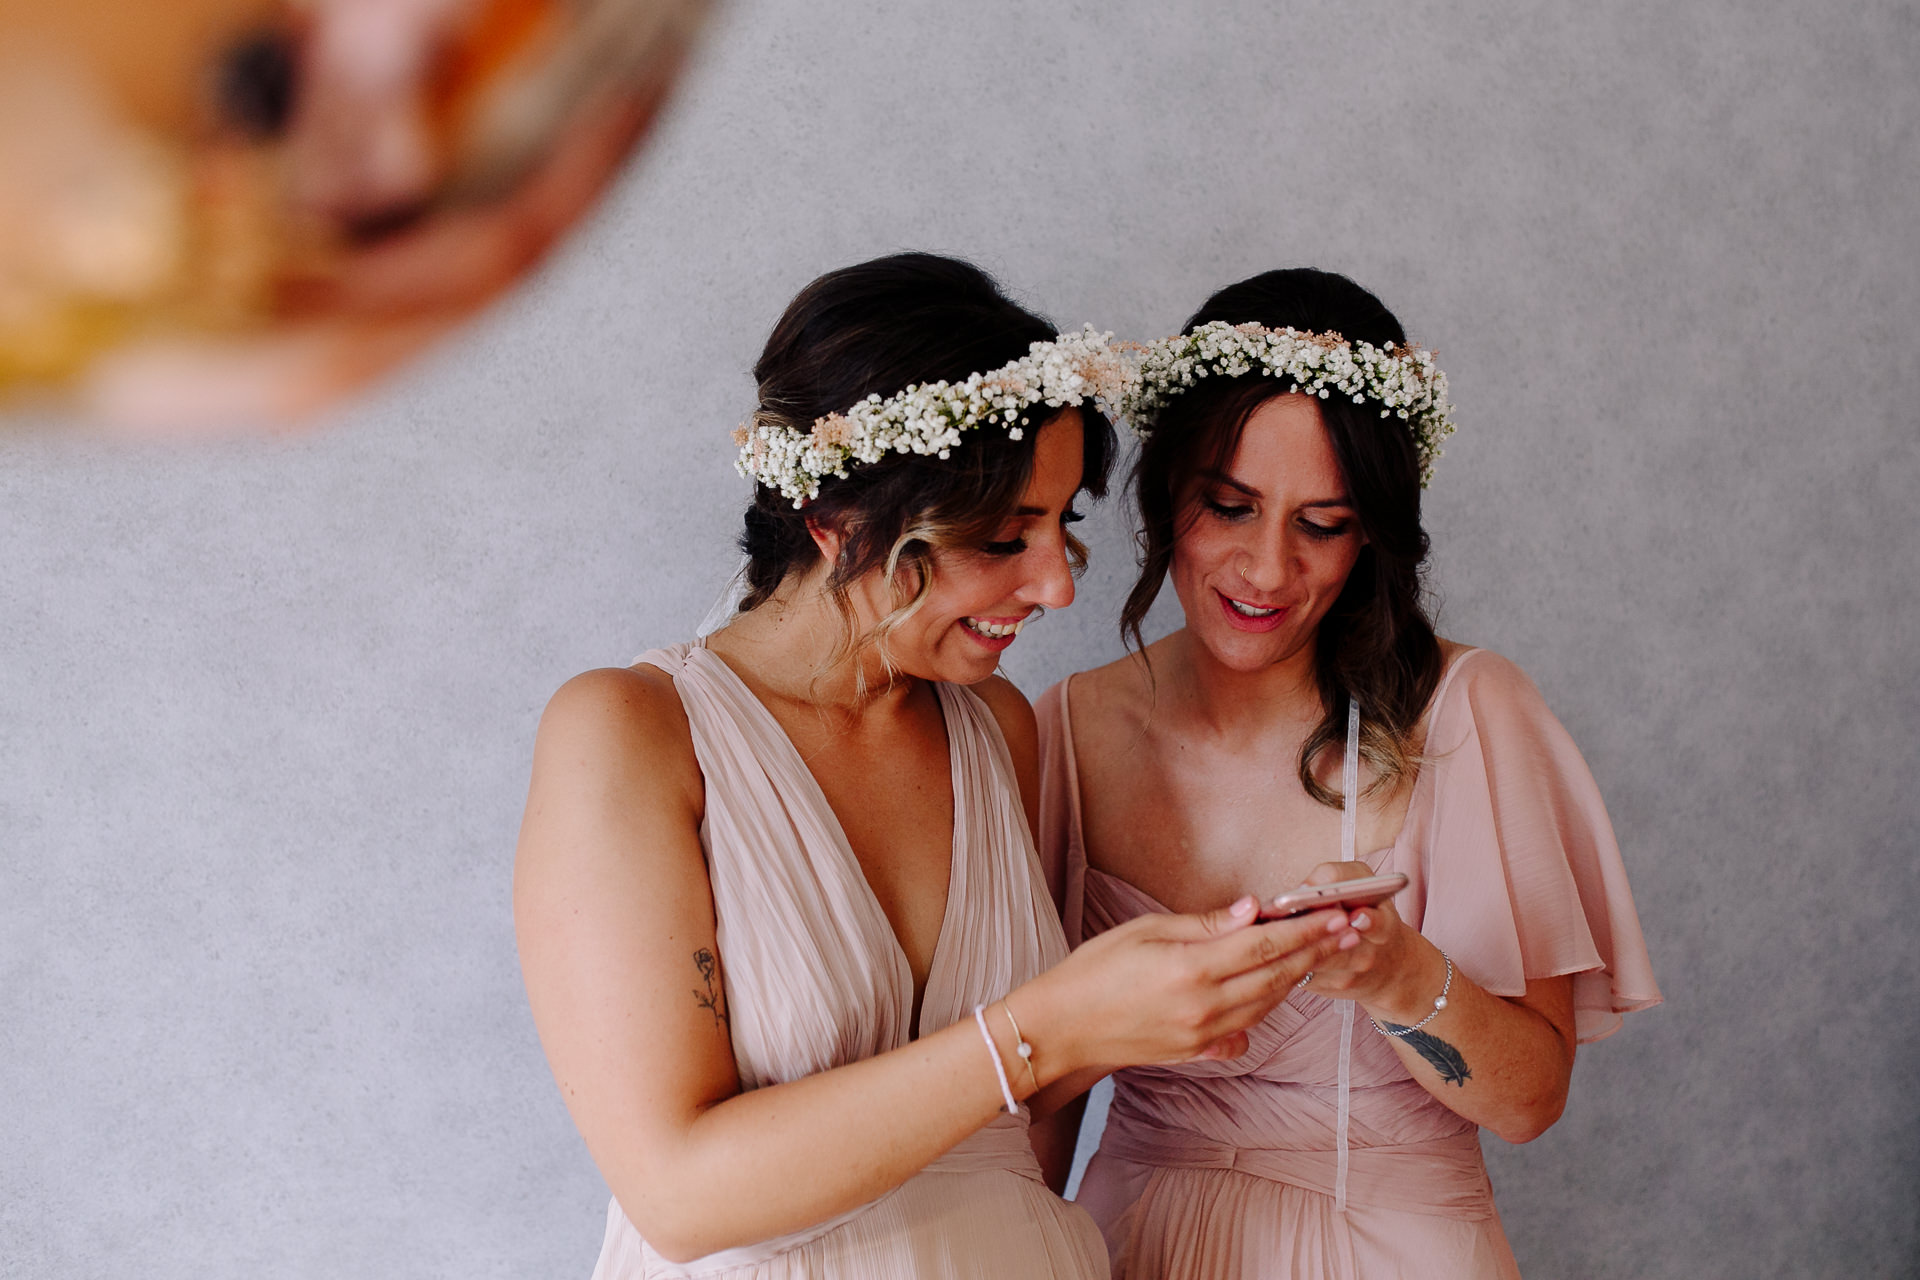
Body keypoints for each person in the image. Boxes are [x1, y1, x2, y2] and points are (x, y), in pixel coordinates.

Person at [514, 254, 1364, 1279]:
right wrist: (1048, 1026)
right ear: (837, 524)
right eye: (1007, 536)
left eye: (1062, 525)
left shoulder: (995, 726)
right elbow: (679, 1193)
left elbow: (1011, 1106)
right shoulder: (631, 732)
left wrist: (1176, 988)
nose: (1055, 586)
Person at [1036, 269, 1662, 1279]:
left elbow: (1530, 1098)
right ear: (1163, 496)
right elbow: (1044, 1096)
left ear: (1369, 530)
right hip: (1127, 1243)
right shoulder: (1067, 727)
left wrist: (1393, 971)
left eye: (1320, 523)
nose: (1267, 568)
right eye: (1229, 507)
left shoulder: (1467, 710)